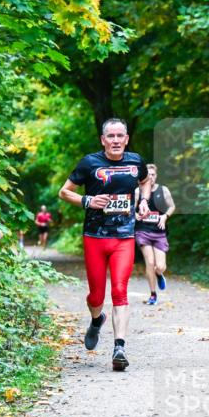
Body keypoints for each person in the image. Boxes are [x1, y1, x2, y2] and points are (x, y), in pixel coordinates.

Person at [58, 119, 151, 371]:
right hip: (95, 237)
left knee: (120, 290)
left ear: (127, 138)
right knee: (96, 295)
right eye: (110, 136)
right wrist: (87, 201)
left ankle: (119, 347)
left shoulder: (135, 161)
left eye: (120, 135)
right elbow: (64, 192)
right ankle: (97, 319)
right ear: (103, 140)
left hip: (124, 237)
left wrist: (143, 202)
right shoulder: (90, 163)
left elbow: (145, 181)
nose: (116, 140)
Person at [134, 163, 176, 305]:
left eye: (153, 174)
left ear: (156, 176)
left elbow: (172, 206)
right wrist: (135, 215)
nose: (150, 177)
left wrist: (165, 216)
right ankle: (153, 294)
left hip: (159, 232)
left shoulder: (163, 190)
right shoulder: (138, 192)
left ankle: (159, 274)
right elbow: (130, 209)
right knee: (150, 263)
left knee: (160, 266)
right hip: (142, 231)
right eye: (148, 174)